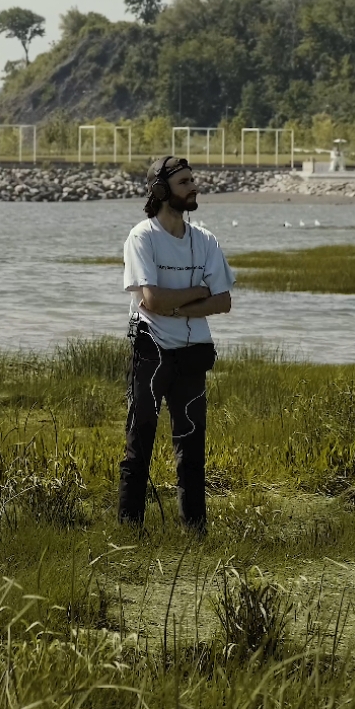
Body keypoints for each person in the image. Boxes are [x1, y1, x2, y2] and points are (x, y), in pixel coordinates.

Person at [120, 156, 235, 531]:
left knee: (192, 448)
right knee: (140, 445)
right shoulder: (142, 237)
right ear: (160, 190)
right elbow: (151, 302)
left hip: (193, 355)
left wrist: (181, 302)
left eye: (192, 180)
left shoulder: (206, 240)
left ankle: (196, 532)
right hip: (151, 350)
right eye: (184, 182)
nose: (194, 186)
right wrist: (199, 292)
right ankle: (129, 530)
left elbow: (224, 301)